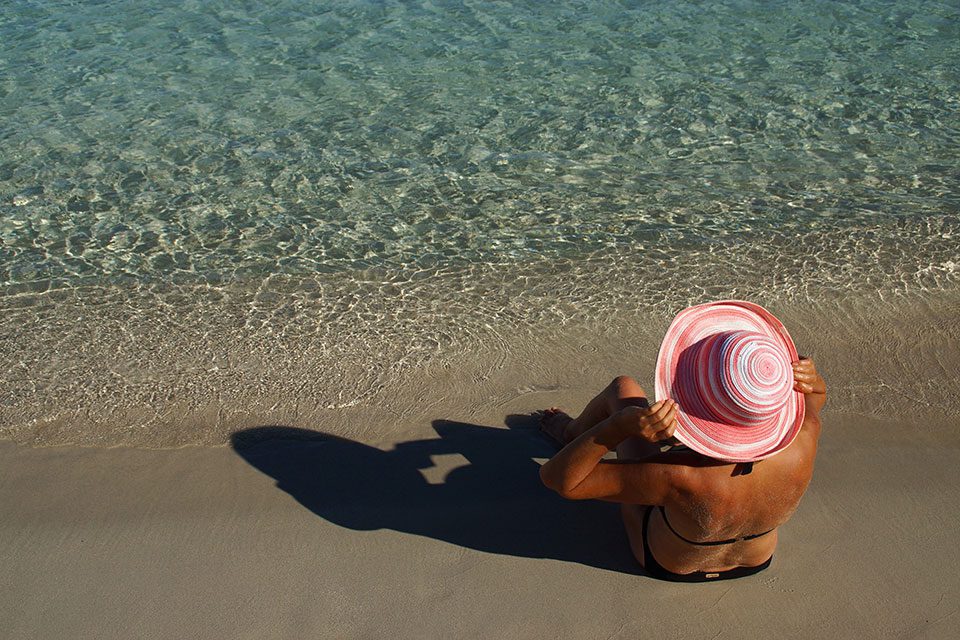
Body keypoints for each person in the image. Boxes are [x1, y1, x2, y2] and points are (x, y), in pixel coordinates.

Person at [538, 301, 827, 582]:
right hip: (756, 559)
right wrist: (809, 378)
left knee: (623, 388)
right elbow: (816, 395)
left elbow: (560, 480)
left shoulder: (677, 474)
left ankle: (571, 433)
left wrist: (617, 427)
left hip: (670, 563)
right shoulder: (805, 437)